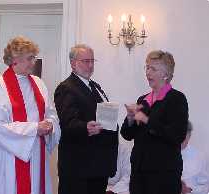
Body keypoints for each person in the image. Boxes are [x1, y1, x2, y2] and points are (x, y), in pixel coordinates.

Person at [0, 36, 61, 194]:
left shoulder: (39, 83)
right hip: (10, 156)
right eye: (29, 58)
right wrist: (34, 129)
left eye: (33, 57)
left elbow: (51, 113)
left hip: (36, 153)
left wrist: (50, 124)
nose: (34, 63)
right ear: (14, 60)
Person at [120, 50, 189, 194]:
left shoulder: (177, 99)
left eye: (153, 69)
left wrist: (146, 120)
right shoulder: (143, 100)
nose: (148, 72)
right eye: (147, 67)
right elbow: (126, 134)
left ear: (166, 74)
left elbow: (177, 135)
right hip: (139, 175)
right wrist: (130, 118)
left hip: (163, 176)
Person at [54, 44, 118, 194]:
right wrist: (85, 127)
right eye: (85, 61)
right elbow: (67, 122)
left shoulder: (95, 86)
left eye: (92, 61)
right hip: (78, 169)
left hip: (97, 167)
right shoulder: (66, 88)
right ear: (73, 63)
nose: (90, 65)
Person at [181, 121, 209, 194]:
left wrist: (188, 190)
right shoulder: (162, 155)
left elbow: (205, 186)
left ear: (189, 136)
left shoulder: (200, 157)